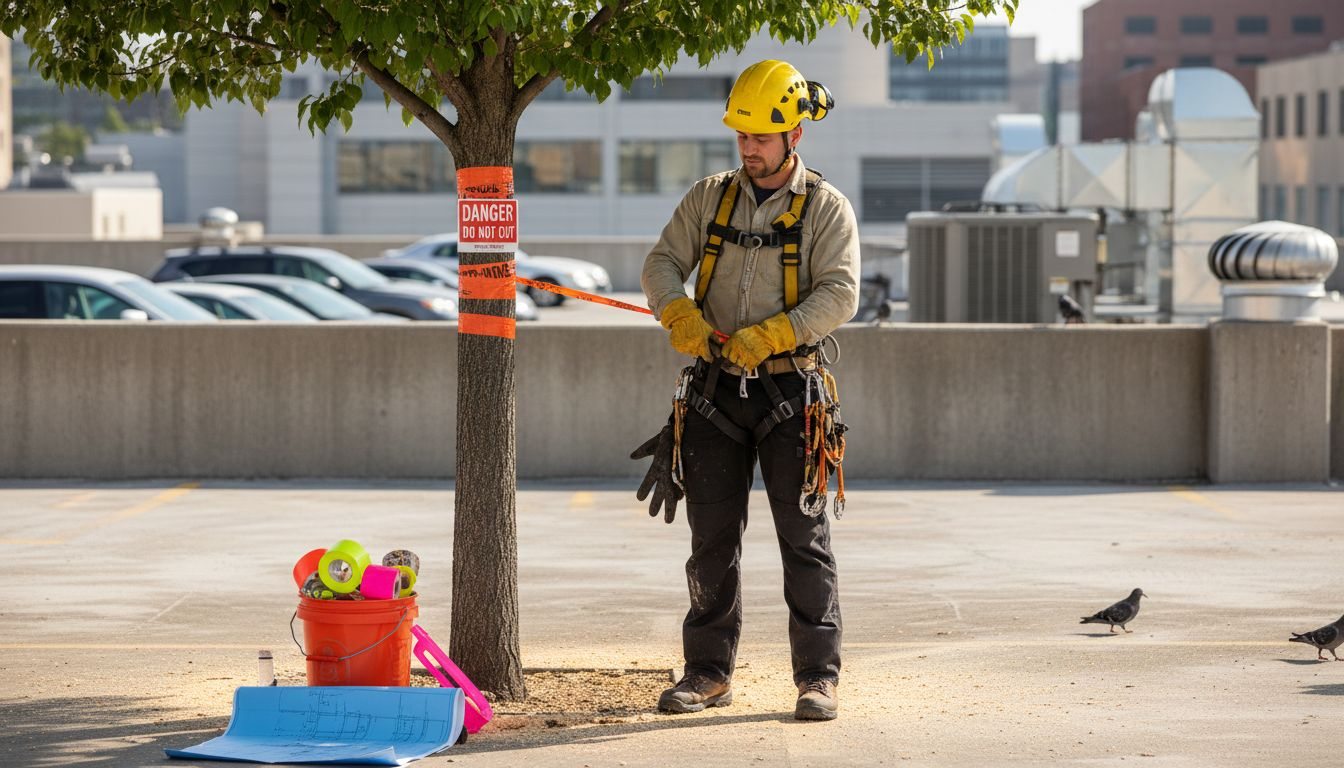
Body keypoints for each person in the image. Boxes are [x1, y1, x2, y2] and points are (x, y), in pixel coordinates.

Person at [635, 59, 860, 721]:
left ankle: (817, 678)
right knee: (711, 542)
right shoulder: (709, 199)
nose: (749, 148)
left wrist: (774, 334)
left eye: (761, 137)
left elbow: (840, 293)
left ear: (795, 135)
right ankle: (707, 673)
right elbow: (661, 263)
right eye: (742, 136)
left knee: (804, 540)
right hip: (713, 393)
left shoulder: (826, 209)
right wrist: (678, 312)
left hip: (791, 395)